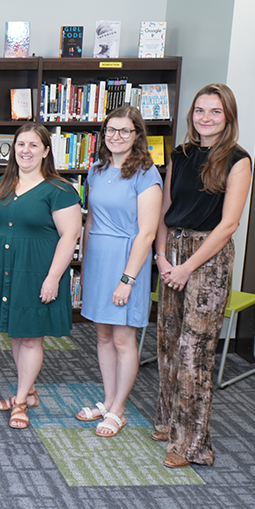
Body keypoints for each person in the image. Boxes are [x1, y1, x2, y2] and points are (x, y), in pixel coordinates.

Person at [153, 84, 252, 468]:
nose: (205, 118)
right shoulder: (181, 154)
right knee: (168, 342)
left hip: (207, 259)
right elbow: (166, 207)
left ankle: (191, 444)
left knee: (195, 352)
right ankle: (167, 422)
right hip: (173, 251)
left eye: (214, 112)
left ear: (228, 117)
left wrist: (187, 267)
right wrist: (162, 256)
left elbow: (229, 225)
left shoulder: (238, 159)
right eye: (199, 111)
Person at [0, 123, 82, 429]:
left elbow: (69, 235)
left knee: (32, 338)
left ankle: (21, 399)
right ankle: (30, 390)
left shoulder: (61, 191)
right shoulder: (1, 185)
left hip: (39, 271)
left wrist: (53, 278)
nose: (26, 151)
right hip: (6, 268)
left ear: (46, 151)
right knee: (16, 332)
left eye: (34, 145)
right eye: (21, 144)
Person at [76, 106, 163, 436]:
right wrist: (84, 265)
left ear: (137, 135)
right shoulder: (96, 170)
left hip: (127, 260)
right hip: (98, 257)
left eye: (124, 131)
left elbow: (147, 233)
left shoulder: (145, 174)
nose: (116, 137)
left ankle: (120, 409)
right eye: (110, 130)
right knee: (102, 334)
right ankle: (109, 400)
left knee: (124, 339)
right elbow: (90, 220)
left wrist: (127, 279)